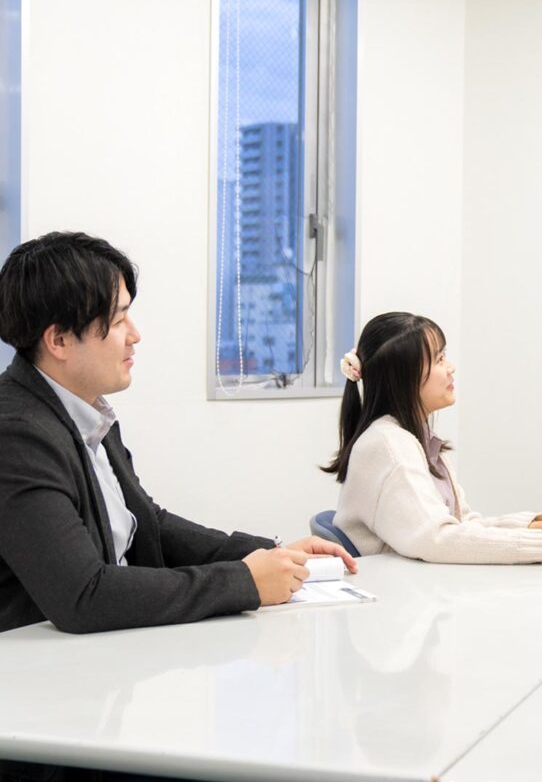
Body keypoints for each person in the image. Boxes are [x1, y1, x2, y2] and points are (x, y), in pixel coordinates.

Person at [0, 232, 356, 637]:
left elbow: (147, 522)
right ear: (59, 339)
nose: (135, 334)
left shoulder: (87, 410)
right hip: (31, 679)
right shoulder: (17, 435)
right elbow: (83, 595)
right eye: (117, 320)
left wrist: (268, 556)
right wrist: (242, 581)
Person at [323, 312, 542, 563]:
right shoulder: (388, 445)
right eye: (438, 359)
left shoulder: (416, 440)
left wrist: (530, 528)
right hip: (397, 606)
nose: (450, 368)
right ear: (405, 377)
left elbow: (462, 524)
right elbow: (437, 539)